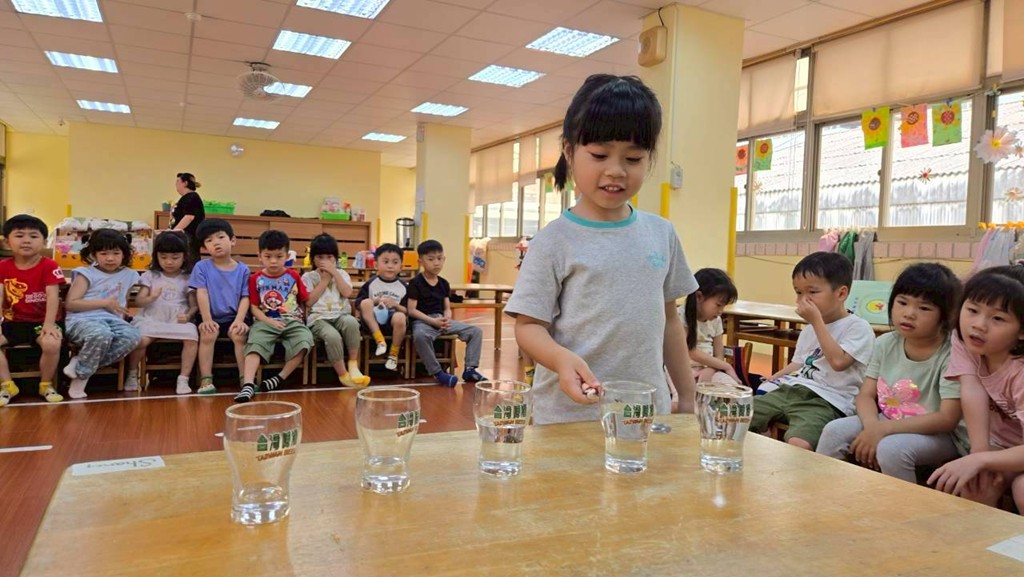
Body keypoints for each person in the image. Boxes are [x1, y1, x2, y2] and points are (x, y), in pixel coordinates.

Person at [505, 74, 698, 425]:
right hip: (570, 417)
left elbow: (670, 319)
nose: (616, 171)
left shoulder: (661, 233)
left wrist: (686, 395)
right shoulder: (553, 241)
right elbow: (528, 326)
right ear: (569, 151)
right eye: (599, 155)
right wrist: (561, 359)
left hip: (644, 413)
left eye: (633, 158)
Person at [817, 263, 967, 482]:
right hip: (887, 419)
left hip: (938, 434)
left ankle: (903, 503)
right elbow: (866, 395)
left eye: (924, 308)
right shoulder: (886, 343)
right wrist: (873, 428)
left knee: (891, 449)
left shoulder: (952, 353)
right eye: (902, 302)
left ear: (946, 315)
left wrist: (883, 430)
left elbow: (947, 418)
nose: (909, 314)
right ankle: (824, 491)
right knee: (834, 431)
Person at [748, 252, 875, 450]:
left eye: (812, 292)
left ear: (841, 294)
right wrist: (774, 377)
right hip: (793, 390)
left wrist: (816, 322)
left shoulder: (858, 327)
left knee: (799, 442)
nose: (803, 299)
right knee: (736, 415)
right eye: (799, 292)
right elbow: (798, 363)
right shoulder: (809, 329)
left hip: (828, 400)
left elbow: (839, 362)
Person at [929, 265, 1024, 514]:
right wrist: (979, 454)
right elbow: (972, 388)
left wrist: (981, 459)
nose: (978, 325)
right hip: (1004, 446)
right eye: (972, 310)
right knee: (975, 484)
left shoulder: (1020, 371)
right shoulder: (965, 339)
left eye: (998, 318)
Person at [235, 230, 314, 403]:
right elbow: (253, 307)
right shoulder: (255, 278)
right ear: (259, 256)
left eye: (279, 256)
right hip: (264, 321)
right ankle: (248, 384)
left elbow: (305, 300)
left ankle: (279, 378)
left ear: (287, 256)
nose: (273, 261)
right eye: (268, 256)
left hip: (292, 321)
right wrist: (268, 321)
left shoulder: (293, 275)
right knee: (254, 344)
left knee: (305, 341)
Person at [63, 229, 142, 399]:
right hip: (82, 319)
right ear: (93, 255)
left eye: (116, 253)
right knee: (101, 334)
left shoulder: (130, 275)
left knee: (133, 336)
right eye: (104, 253)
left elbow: (127, 300)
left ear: (124, 254)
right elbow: (71, 304)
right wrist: (104, 303)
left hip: (113, 321)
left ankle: (80, 363)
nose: (110, 258)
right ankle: (80, 380)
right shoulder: (86, 274)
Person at [0, 215, 65, 405]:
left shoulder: (49, 265)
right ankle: (7, 385)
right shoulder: (2, 267)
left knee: (52, 344)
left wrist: (49, 325)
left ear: (44, 242)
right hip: (14, 322)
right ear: (7, 242)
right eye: (19, 235)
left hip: (42, 322)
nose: (27, 240)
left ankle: (46, 384)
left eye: (34, 236)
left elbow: (53, 297)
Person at [125, 231, 199, 395]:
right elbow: (137, 301)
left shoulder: (188, 278)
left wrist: (188, 316)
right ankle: (132, 373)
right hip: (151, 319)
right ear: (156, 256)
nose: (169, 262)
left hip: (177, 321)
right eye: (163, 257)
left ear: (184, 257)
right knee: (140, 341)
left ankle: (183, 378)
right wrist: (151, 298)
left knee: (192, 338)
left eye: (175, 257)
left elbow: (194, 305)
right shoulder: (150, 276)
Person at [407, 239, 487, 387]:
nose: (436, 263)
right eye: (431, 259)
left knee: (475, 331)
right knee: (420, 336)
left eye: (439, 258)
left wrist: (447, 317)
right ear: (421, 261)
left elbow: (447, 307)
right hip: (423, 321)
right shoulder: (415, 283)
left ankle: (470, 369)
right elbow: (411, 310)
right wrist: (432, 321)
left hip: (442, 320)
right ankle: (438, 373)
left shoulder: (443, 283)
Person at [302, 233, 370, 388]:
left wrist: (335, 274)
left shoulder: (342, 274)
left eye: (329, 257)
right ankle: (343, 374)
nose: (325, 261)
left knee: (352, 323)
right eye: (320, 257)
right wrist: (324, 280)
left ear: (335, 258)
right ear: (313, 259)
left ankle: (353, 366)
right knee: (332, 336)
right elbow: (309, 302)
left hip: (341, 315)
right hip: (318, 319)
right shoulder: (308, 277)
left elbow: (347, 293)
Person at [190, 219, 250, 395]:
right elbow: (201, 293)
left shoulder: (243, 269)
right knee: (208, 334)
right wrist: (207, 319)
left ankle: (245, 379)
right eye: (209, 241)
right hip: (210, 316)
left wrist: (239, 320)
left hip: (235, 316)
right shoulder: (201, 267)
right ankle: (206, 379)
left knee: (239, 335)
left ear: (233, 240)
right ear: (204, 248)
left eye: (221, 237)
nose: (216, 243)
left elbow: (246, 297)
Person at [681, 268, 740, 385]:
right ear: (699, 297)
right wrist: (727, 366)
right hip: (682, 370)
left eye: (723, 306)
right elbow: (690, 351)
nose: (720, 311)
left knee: (732, 387)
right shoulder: (681, 316)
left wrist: (711, 370)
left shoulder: (716, 320)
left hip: (710, 369)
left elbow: (719, 354)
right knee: (690, 391)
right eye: (718, 305)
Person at [355, 243, 408, 372]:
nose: (390, 266)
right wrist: (375, 301)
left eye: (395, 262)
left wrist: (395, 305)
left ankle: (393, 355)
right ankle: (380, 341)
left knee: (400, 316)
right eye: (385, 261)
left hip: (393, 323)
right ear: (376, 265)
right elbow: (359, 304)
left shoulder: (404, 286)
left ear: (401, 267)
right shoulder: (371, 283)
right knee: (366, 302)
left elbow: (408, 311)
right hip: (372, 322)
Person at [169, 172, 205, 263]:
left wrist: (174, 232)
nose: (176, 185)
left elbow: (189, 217)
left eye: (178, 182)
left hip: (189, 238)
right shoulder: (186, 198)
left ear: (185, 183)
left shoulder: (191, 197)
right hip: (185, 237)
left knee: (189, 262)